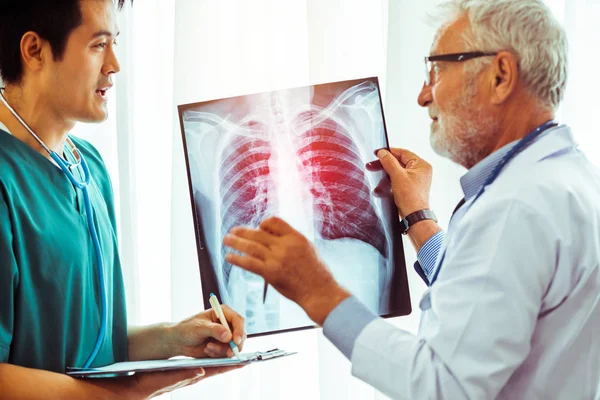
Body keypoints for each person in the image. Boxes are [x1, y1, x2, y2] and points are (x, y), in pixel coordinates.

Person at [223, 0, 600, 398]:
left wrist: (319, 292)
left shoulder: (516, 207)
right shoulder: (566, 179)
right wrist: (420, 218)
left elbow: (442, 386)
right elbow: (492, 312)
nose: (423, 95)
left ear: (501, 76)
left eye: (437, 69)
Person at [0, 0, 246, 398]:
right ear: (34, 51)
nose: (114, 65)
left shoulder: (90, 168)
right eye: (98, 45)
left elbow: (91, 343)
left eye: (115, 43)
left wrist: (174, 338)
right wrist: (123, 396)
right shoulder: (5, 180)